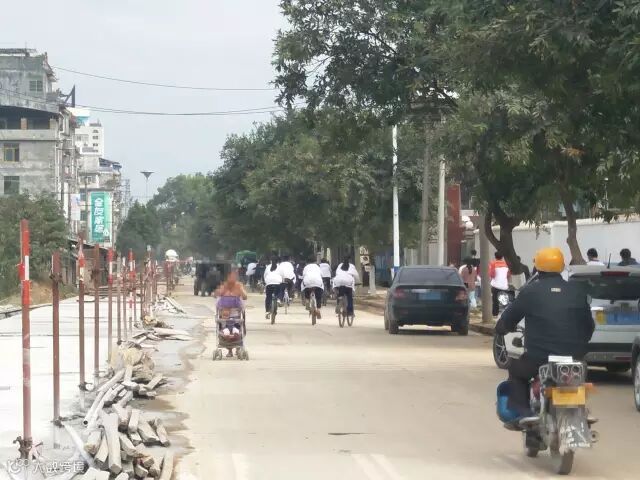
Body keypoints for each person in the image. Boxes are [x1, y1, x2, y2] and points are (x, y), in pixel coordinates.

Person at [495, 247, 594, 420]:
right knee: (578, 381)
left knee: (516, 371)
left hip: (539, 358)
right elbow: (588, 326)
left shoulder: (530, 291)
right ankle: (580, 412)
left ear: (538, 268)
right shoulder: (577, 291)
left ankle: (523, 414)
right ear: (561, 267)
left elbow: (508, 320)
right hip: (574, 358)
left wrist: (502, 328)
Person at [214, 271, 248, 357]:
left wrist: (240, 292)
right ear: (228, 277)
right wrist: (220, 293)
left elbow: (245, 296)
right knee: (226, 332)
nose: (232, 278)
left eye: (234, 276)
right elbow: (217, 294)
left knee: (237, 330)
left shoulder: (239, 286)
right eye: (231, 277)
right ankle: (230, 351)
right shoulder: (224, 286)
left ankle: (237, 348)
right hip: (224, 315)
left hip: (236, 314)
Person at [490, 252, 511, 317]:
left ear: (495, 256)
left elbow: (492, 275)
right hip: (504, 285)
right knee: (504, 300)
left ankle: (495, 314)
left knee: (495, 301)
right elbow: (508, 275)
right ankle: (505, 314)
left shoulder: (493, 263)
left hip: (496, 285)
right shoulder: (506, 264)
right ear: (502, 257)